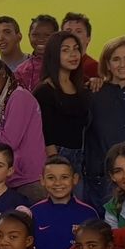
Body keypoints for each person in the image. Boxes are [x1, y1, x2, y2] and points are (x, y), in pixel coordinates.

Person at [0, 55, 47, 202]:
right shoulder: (3, 100)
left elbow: (10, 142)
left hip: (30, 180)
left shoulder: (19, 97)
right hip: (17, 178)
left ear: (2, 72)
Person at [82, 36, 125, 207]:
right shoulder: (93, 93)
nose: (122, 64)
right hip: (100, 179)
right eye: (116, 59)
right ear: (108, 64)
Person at [34, 31, 91, 174]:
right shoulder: (44, 91)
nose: (73, 54)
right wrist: (56, 166)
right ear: (53, 55)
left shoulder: (81, 87)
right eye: (65, 50)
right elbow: (45, 136)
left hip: (82, 157)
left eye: (76, 49)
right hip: (57, 158)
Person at [28, 156, 100, 249]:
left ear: (75, 179)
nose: (58, 183)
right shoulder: (33, 212)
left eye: (64, 177)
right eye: (51, 178)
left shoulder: (89, 213)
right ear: (42, 180)